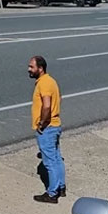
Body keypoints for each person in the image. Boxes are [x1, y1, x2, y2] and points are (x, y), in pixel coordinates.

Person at [28, 55, 66, 203]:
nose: (29, 69)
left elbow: (47, 105)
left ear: (40, 68)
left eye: (32, 67)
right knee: (57, 158)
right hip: (56, 125)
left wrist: (42, 123)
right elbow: (59, 98)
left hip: (48, 128)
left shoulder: (43, 84)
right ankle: (61, 187)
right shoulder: (51, 81)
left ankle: (52, 193)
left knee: (49, 162)